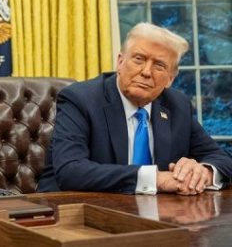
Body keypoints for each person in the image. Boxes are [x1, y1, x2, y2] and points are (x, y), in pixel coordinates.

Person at [38, 22, 232, 195]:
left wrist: (203, 173)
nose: (146, 72)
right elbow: (71, 171)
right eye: (139, 59)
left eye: (159, 65)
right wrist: (157, 179)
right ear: (120, 62)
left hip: (156, 214)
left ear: (170, 79)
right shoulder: (80, 99)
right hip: (72, 211)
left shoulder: (177, 105)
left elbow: (221, 158)